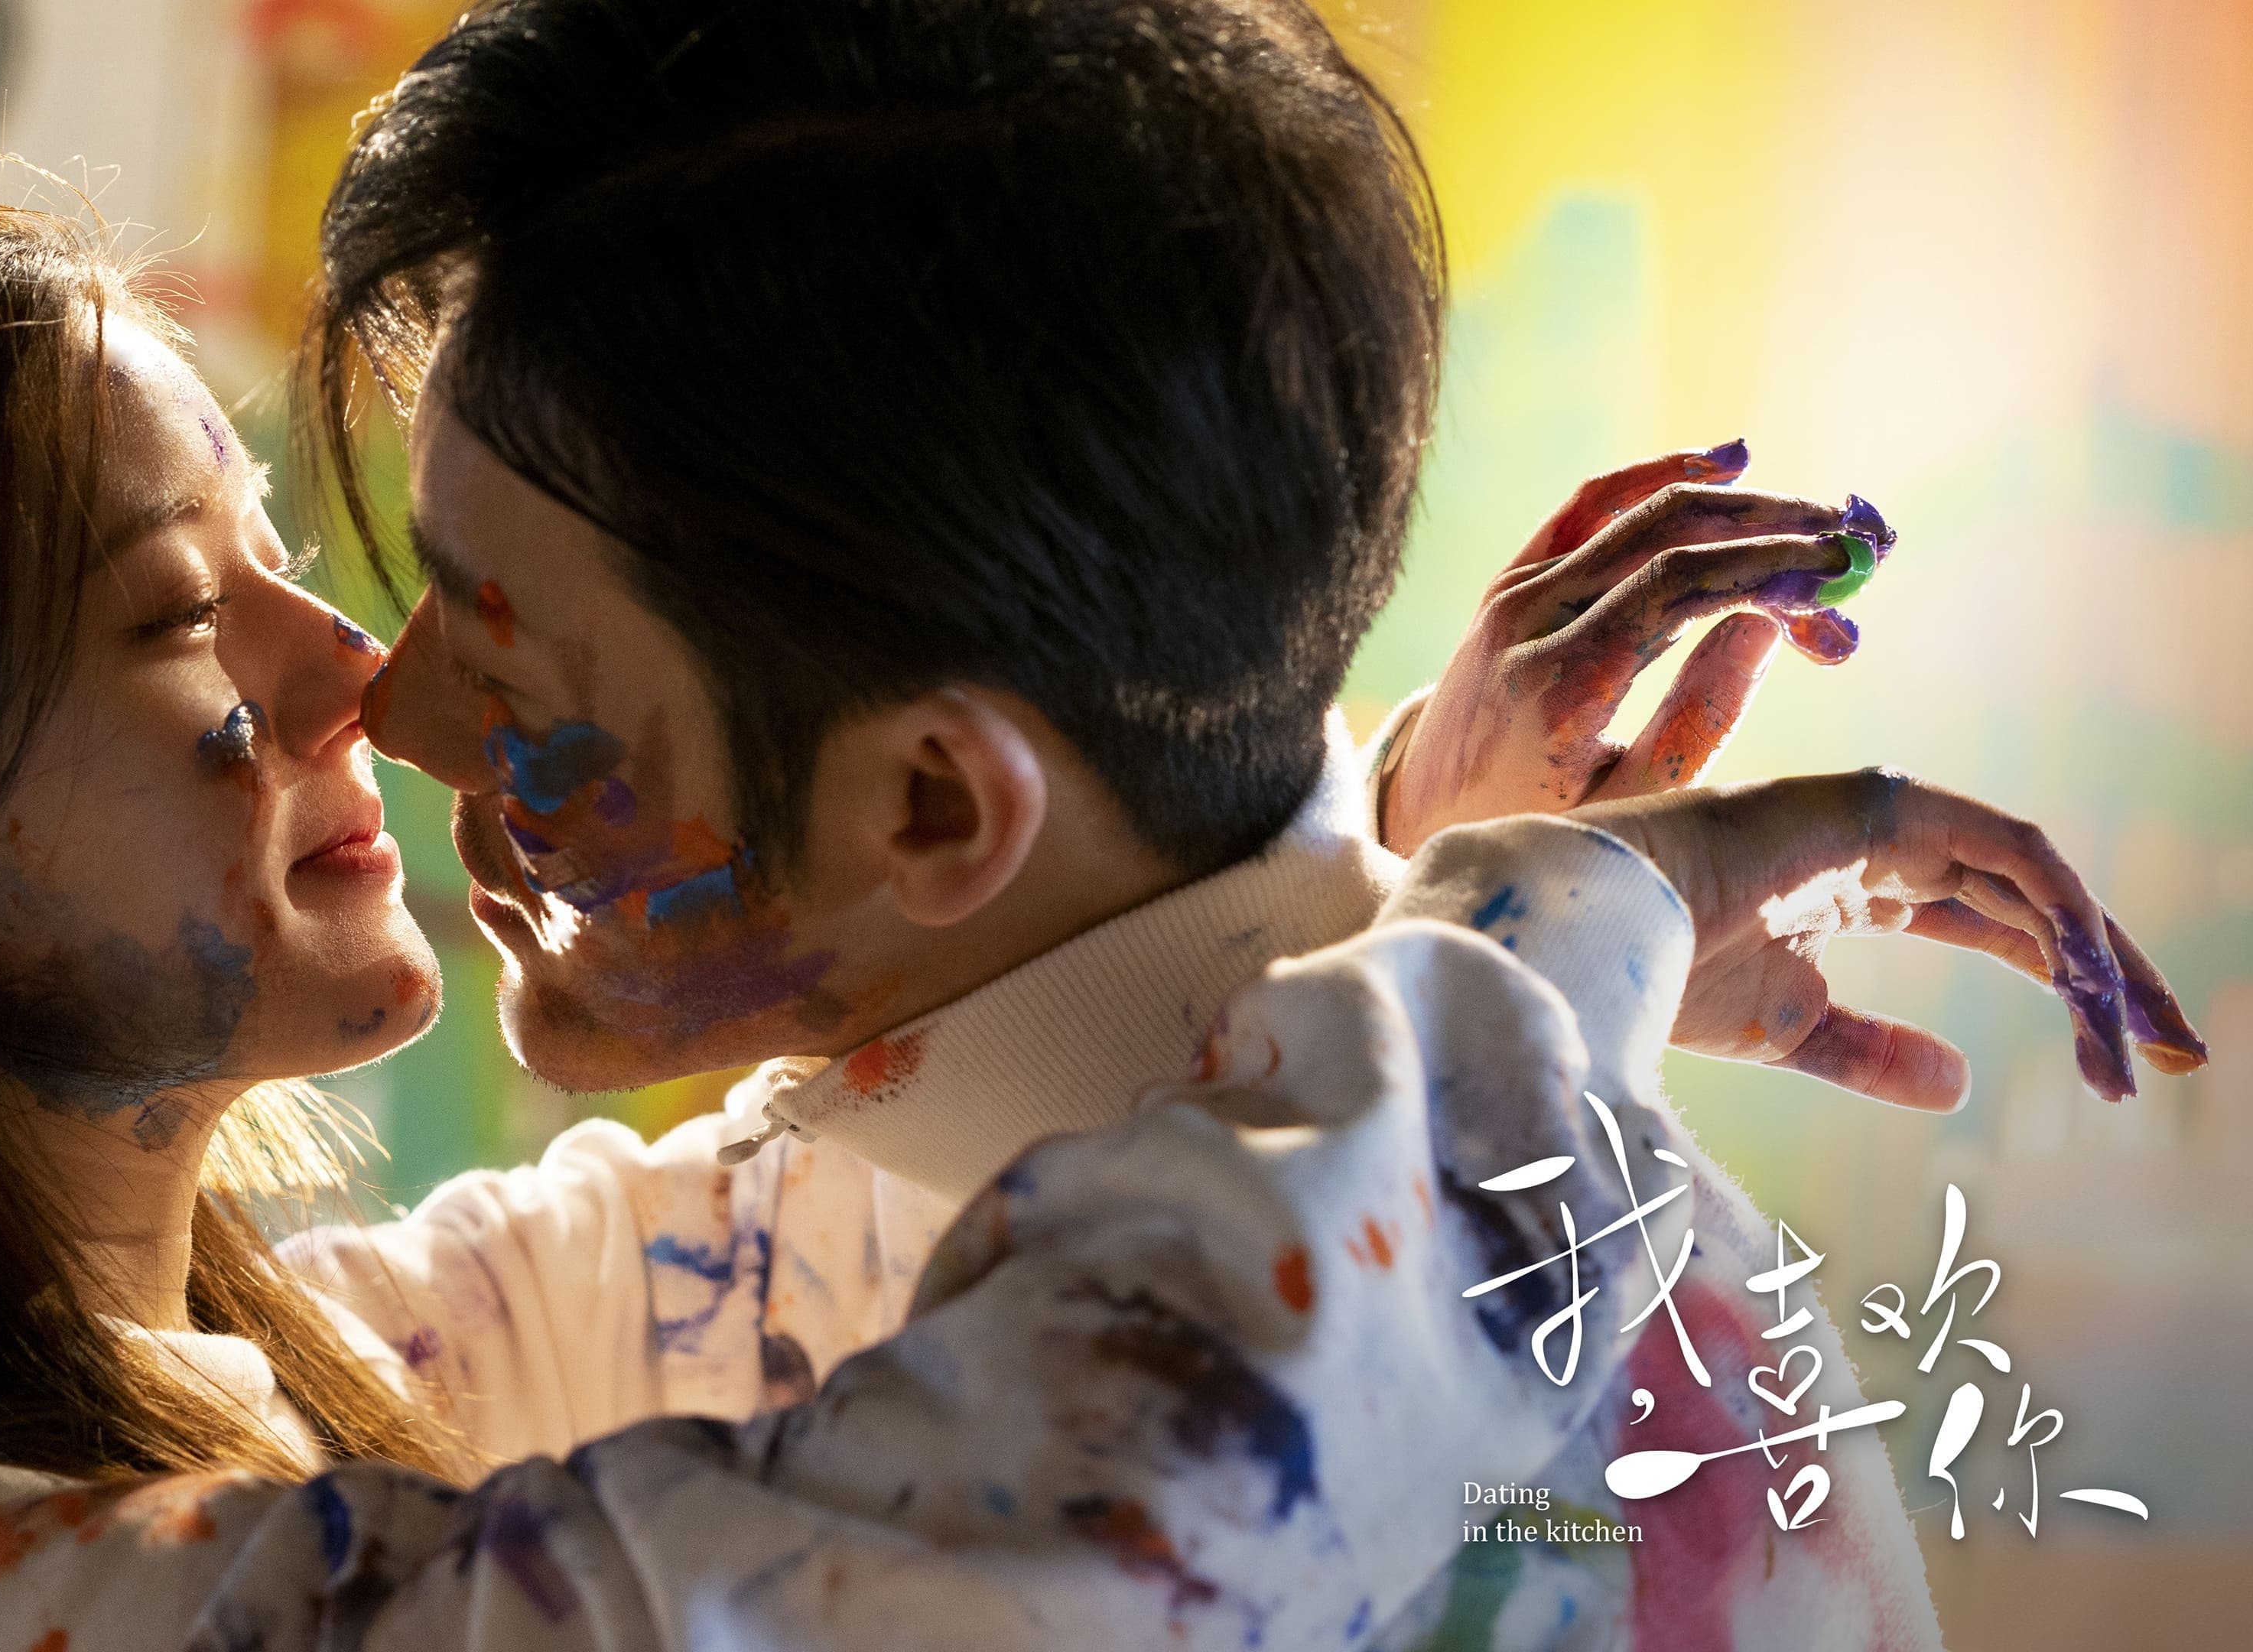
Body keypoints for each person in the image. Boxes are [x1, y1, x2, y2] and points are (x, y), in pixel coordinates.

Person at [284, 0, 2208, 1644]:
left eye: (496, 652)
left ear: (938, 807)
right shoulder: (774, 1213)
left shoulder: (1610, 1482)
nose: (389, 706)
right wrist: (1464, 933)